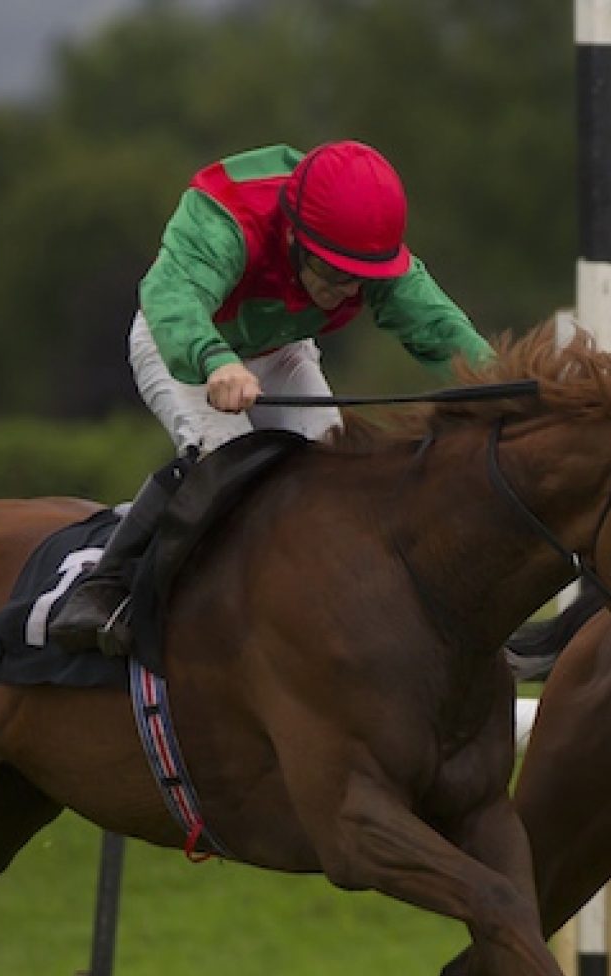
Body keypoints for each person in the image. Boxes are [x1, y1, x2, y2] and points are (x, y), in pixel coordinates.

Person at [50, 140, 493, 655]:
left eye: (363, 280)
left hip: (278, 351)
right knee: (231, 463)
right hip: (183, 342)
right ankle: (107, 586)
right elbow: (174, 299)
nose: (350, 291)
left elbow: (444, 332)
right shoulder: (226, 216)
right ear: (294, 235)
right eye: (334, 273)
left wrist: (508, 387)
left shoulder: (362, 245)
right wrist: (215, 361)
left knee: (333, 463)